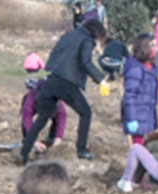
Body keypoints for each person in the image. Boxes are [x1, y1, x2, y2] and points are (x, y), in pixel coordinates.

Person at [18, 17, 106, 164]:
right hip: (67, 84)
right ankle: (81, 150)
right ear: (96, 33)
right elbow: (86, 62)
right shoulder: (87, 40)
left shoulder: (68, 35)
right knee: (86, 113)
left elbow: (55, 55)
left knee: (42, 119)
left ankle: (24, 152)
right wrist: (101, 79)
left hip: (50, 79)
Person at [18, 53, 66, 155]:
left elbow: (62, 117)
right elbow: (27, 119)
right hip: (34, 100)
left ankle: (50, 140)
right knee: (26, 125)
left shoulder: (57, 101)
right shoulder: (29, 101)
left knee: (56, 121)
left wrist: (58, 138)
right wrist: (33, 141)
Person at [120, 35, 158, 143]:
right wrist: (132, 118)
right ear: (144, 47)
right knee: (139, 149)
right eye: (153, 45)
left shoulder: (151, 67)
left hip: (147, 116)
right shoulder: (136, 69)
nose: (156, 48)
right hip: (137, 118)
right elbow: (129, 96)